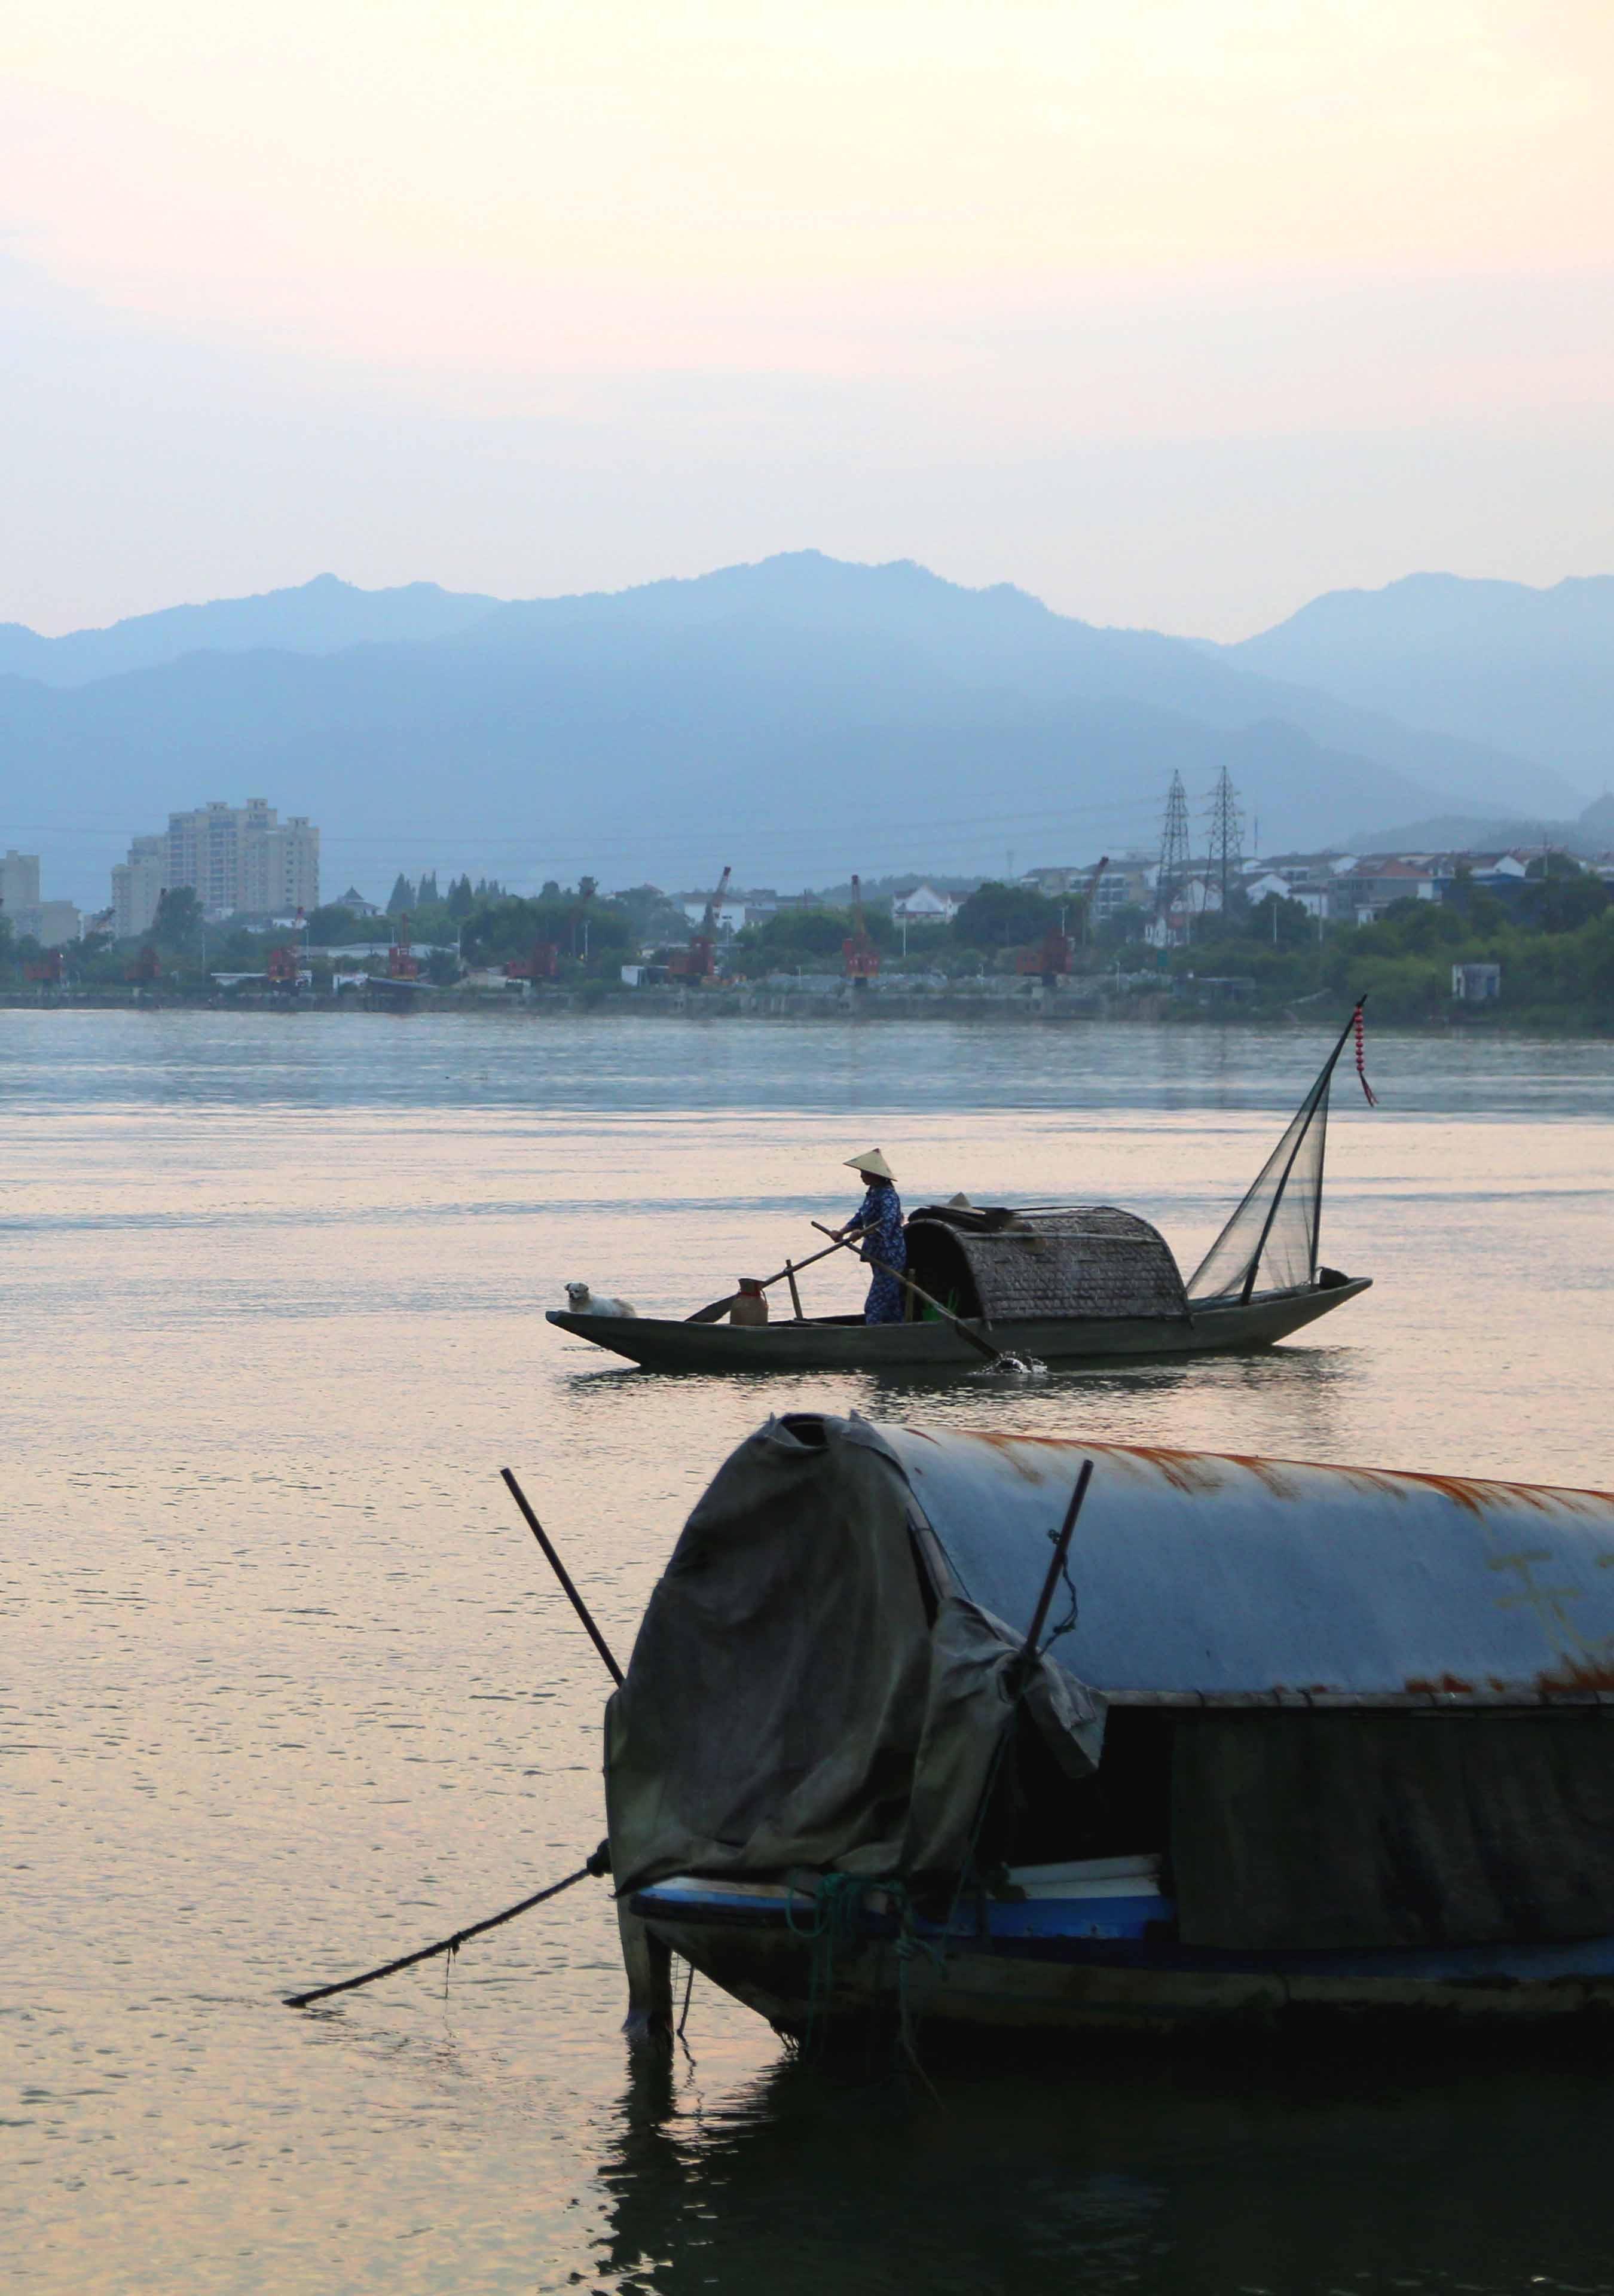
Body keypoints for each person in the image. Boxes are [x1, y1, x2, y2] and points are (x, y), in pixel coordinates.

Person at [837, 1150, 906, 1324]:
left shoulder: (888, 1196)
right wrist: (842, 1231)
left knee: (875, 1304)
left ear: (874, 1175)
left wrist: (862, 1233)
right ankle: (899, 1330)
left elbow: (888, 1223)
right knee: (890, 1303)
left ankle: (872, 1333)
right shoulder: (873, 1192)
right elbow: (862, 1216)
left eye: (864, 1173)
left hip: (890, 1256)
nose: (861, 1176)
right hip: (877, 1254)